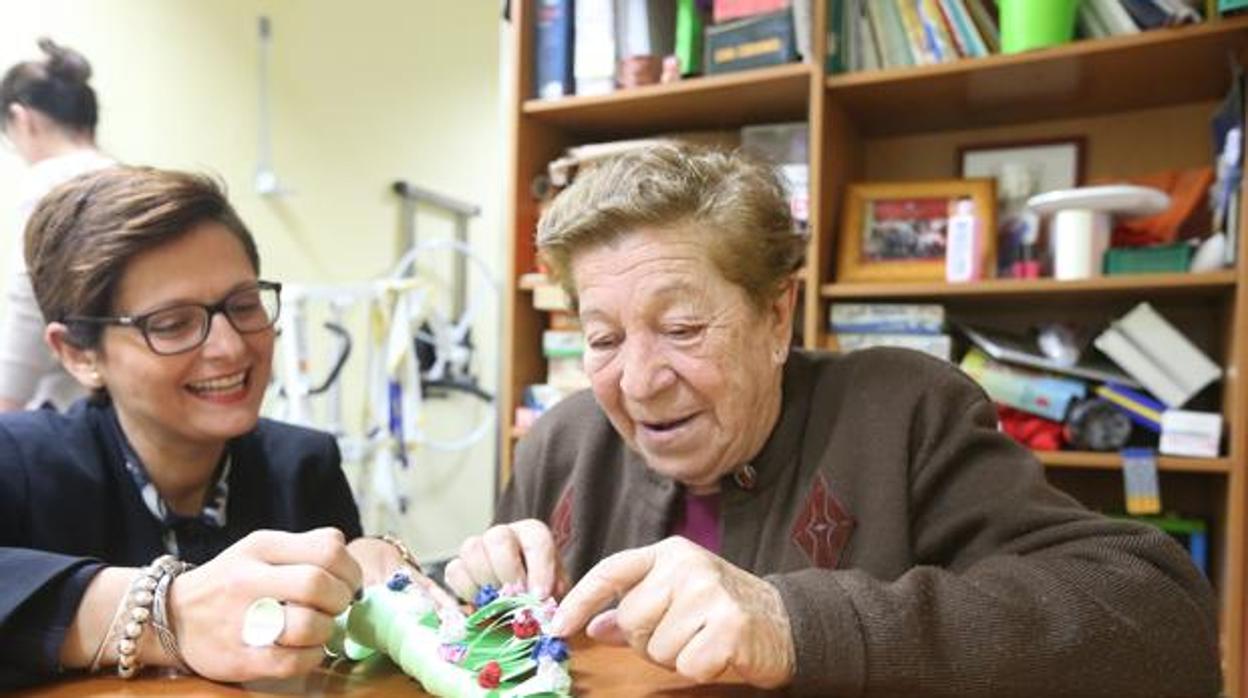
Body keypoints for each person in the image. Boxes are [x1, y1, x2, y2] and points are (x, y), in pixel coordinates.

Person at [445, 143, 1222, 696]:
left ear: (776, 317)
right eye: (604, 339)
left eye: (683, 329)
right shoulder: (563, 441)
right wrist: (441, 579)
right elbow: (489, 642)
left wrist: (794, 623)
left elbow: (1164, 624)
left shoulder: (904, 411)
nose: (641, 383)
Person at [0, 166, 438, 689]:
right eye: (171, 324)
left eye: (245, 305)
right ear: (78, 354)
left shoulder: (302, 467)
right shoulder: (20, 463)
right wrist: (165, 611)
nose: (230, 347)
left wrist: (370, 576)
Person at [0, 38, 116, 412]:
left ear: (23, 119)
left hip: (70, 402)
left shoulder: (48, 183)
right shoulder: (125, 177)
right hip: (123, 393)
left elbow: (30, 300)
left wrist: (8, 399)